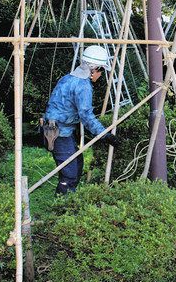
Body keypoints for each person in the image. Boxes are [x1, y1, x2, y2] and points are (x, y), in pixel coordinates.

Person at [44, 45, 120, 194]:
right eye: (101, 71)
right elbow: (86, 116)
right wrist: (105, 135)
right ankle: (63, 206)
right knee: (70, 172)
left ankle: (68, 198)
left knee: (77, 163)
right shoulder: (83, 86)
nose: (101, 75)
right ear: (94, 70)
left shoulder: (67, 78)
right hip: (58, 132)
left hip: (60, 129)